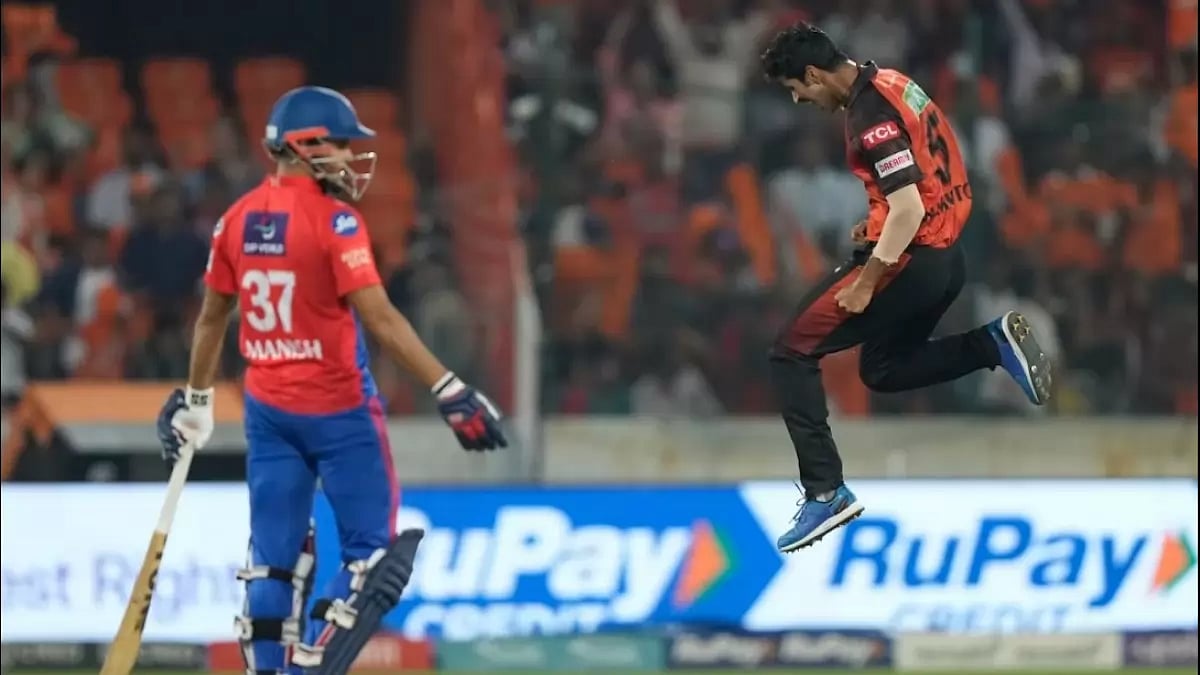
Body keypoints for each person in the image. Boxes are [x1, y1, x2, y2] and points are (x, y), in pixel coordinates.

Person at [154, 86, 506, 675]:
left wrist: (196, 397)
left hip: (268, 414)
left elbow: (212, 317)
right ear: (306, 145)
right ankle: (311, 667)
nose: (350, 159)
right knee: (372, 558)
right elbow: (381, 317)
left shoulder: (234, 220)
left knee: (273, 563)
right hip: (341, 414)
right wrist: (450, 390)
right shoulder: (335, 220)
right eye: (341, 145)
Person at [759, 25, 1052, 553]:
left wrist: (869, 277)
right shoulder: (894, 81)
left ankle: (825, 491)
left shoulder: (868, 118)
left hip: (908, 263)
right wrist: (877, 222)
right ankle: (991, 344)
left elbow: (909, 206)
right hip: (947, 257)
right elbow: (924, 173)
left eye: (796, 89)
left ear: (812, 74)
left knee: (790, 350)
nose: (800, 100)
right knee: (882, 369)